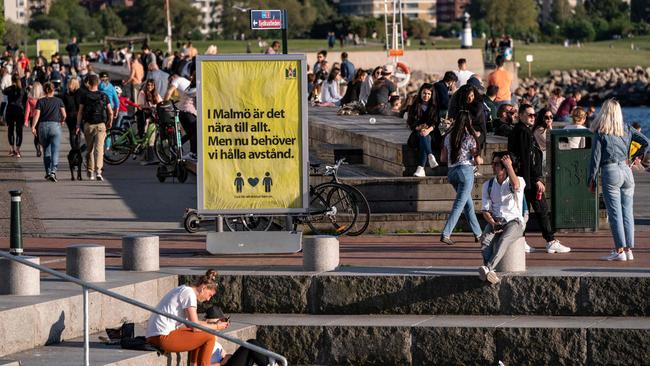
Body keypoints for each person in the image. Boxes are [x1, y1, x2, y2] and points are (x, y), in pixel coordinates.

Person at [588, 99, 649, 261]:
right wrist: (633, 156)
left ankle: (619, 250)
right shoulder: (627, 128)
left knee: (615, 213)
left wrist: (591, 180)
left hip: (611, 171)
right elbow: (646, 142)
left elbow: (595, 159)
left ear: (605, 112)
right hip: (626, 171)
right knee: (627, 212)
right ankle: (629, 250)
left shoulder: (601, 132)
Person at [508, 103, 570, 254]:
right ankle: (550, 241)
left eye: (534, 115)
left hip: (524, 179)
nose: (532, 117)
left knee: (524, 212)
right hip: (527, 179)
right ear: (520, 115)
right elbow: (526, 158)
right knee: (541, 210)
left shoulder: (522, 131)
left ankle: (521, 241)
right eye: (529, 115)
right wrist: (536, 179)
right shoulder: (522, 132)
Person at [146, 270, 230, 366]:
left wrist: (214, 325)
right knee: (209, 337)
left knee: (201, 335)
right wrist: (217, 327)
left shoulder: (184, 290)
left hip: (155, 335)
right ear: (204, 288)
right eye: (209, 295)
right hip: (161, 337)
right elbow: (195, 327)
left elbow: (193, 324)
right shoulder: (189, 294)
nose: (208, 299)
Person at [478, 152, 526, 284]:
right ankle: (490, 273)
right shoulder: (488, 185)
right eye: (492, 163)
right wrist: (493, 223)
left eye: (497, 164)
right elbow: (485, 210)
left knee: (504, 240)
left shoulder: (518, 180)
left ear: (505, 167)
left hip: (514, 221)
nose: (493, 166)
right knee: (485, 241)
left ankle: (488, 267)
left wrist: (509, 166)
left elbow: (516, 186)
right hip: (497, 220)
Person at [439, 110, 483, 245]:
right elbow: (478, 160)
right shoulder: (469, 138)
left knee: (467, 204)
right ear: (468, 122)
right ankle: (446, 233)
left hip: (452, 172)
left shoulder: (448, 136)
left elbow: (443, 158)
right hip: (465, 171)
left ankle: (478, 233)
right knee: (459, 204)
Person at [76, 74, 113, 181]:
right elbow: (110, 111)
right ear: (97, 83)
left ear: (89, 83)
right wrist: (110, 122)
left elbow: (80, 112)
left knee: (90, 149)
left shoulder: (85, 96)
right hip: (101, 125)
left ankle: (90, 171)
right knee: (99, 149)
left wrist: (78, 125)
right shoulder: (104, 96)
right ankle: (99, 172)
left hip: (89, 125)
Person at [31, 82, 66, 182]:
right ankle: (53, 172)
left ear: (44, 90)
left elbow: (36, 114)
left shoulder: (40, 101)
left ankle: (47, 172)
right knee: (55, 150)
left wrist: (33, 126)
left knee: (46, 150)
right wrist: (62, 120)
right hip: (55, 126)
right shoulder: (59, 101)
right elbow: (64, 114)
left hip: (43, 127)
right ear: (53, 90)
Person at [406, 83, 439, 177]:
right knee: (423, 136)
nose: (426, 96)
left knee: (425, 137)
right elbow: (411, 123)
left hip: (431, 134)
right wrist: (419, 128)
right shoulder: (414, 106)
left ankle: (421, 168)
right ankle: (430, 156)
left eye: (429, 94)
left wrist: (428, 130)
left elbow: (435, 123)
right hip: (416, 134)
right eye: (424, 93)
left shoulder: (434, 107)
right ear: (420, 93)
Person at [165, 73, 197, 161]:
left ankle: (189, 151)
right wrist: (164, 103)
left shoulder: (188, 86)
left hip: (184, 112)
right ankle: (193, 153)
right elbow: (169, 92)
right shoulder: (193, 87)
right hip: (188, 112)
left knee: (191, 133)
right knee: (195, 132)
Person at [4, 74, 26, 157]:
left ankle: (12, 149)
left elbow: (4, 91)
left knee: (11, 130)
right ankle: (18, 150)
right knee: (19, 130)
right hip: (19, 111)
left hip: (10, 111)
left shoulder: (9, 89)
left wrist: (12, 86)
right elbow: (25, 99)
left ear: (12, 80)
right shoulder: (22, 89)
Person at [24, 82, 44, 157]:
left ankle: (38, 149)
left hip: (33, 119)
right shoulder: (43, 98)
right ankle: (41, 146)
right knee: (41, 134)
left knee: (36, 136)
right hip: (42, 118)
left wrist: (26, 121)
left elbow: (27, 110)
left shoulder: (30, 98)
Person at [62, 78, 83, 148]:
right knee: (78, 132)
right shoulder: (80, 93)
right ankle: (77, 147)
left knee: (72, 132)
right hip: (77, 115)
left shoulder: (66, 94)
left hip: (69, 115)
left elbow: (63, 106)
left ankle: (74, 148)